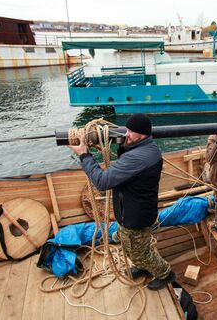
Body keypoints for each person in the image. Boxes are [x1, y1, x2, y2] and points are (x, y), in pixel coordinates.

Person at [67, 113, 175, 290]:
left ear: (142, 135)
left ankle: (165, 274)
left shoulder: (137, 158)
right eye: (127, 130)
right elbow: (128, 162)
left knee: (139, 252)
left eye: (131, 132)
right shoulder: (150, 149)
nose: (126, 134)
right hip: (139, 210)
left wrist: (85, 155)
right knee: (134, 245)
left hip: (135, 217)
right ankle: (143, 266)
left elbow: (102, 181)